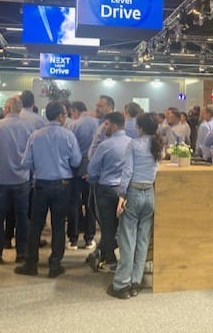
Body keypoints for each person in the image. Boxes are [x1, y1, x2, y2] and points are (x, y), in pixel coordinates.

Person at [15, 100, 81, 278]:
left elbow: (26, 162)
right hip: (63, 184)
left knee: (35, 224)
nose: (66, 117)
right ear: (59, 116)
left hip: (41, 184)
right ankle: (55, 265)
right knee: (58, 225)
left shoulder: (35, 135)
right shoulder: (68, 136)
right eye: (64, 114)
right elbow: (76, 161)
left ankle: (31, 263)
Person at [107, 113, 162, 299]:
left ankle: (122, 284)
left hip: (134, 192)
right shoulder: (158, 145)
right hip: (150, 194)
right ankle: (136, 282)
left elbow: (128, 171)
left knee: (127, 239)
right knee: (143, 240)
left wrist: (122, 195)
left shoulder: (134, 144)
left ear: (140, 127)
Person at [0, 96, 34, 264]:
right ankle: (21, 253)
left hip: (1, 178)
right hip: (22, 178)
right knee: (22, 217)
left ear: (7, 108)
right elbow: (31, 154)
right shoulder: (28, 127)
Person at [87, 112, 131, 272]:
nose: (104, 127)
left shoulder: (105, 145)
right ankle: (110, 255)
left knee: (107, 226)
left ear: (114, 125)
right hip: (126, 190)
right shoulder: (132, 143)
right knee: (123, 227)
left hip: (106, 189)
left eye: (106, 124)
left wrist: (94, 178)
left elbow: (92, 169)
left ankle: (110, 260)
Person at [66, 101, 98, 250]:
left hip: (76, 167)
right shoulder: (99, 124)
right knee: (90, 203)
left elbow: (69, 148)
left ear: (75, 111)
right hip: (93, 167)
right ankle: (89, 238)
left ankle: (73, 239)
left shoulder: (73, 125)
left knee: (74, 203)